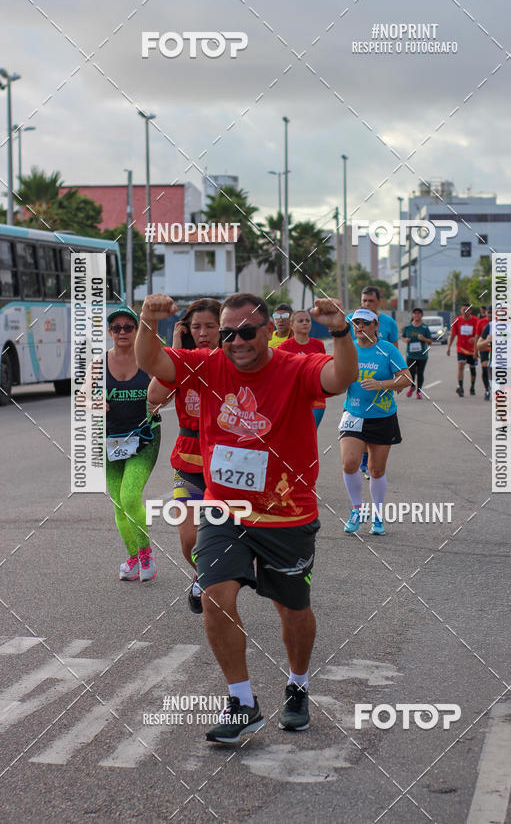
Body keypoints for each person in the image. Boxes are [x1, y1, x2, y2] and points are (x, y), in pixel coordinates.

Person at [135, 291, 357, 743]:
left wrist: (339, 331)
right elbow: (153, 363)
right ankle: (242, 702)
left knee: (293, 612)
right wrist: (146, 320)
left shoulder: (295, 368)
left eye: (247, 332)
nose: (236, 341)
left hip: (286, 516)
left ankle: (297, 685)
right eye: (229, 332)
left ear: (266, 333)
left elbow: (340, 377)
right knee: (215, 594)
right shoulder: (209, 364)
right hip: (224, 510)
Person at [146, 298, 221, 612]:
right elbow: (153, 396)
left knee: (221, 537)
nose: (202, 332)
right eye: (195, 327)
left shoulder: (234, 362)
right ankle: (200, 574)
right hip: (188, 464)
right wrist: (175, 347)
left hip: (226, 467)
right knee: (189, 540)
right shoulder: (183, 363)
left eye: (209, 326)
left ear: (224, 328)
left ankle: (220, 580)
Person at [340, 309, 411, 536]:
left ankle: (378, 516)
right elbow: (336, 373)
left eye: (365, 322)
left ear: (375, 325)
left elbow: (406, 378)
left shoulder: (387, 349)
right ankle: (357, 510)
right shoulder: (348, 348)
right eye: (355, 322)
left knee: (376, 469)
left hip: (382, 416)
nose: (359, 326)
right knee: (349, 463)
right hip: (353, 415)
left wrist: (382, 385)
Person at [105, 307, 161, 583]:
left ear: (137, 331)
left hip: (144, 438)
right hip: (109, 440)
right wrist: (93, 403)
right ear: (110, 332)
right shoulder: (98, 363)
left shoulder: (147, 360)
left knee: (129, 497)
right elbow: (80, 397)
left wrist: (160, 399)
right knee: (118, 504)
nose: (123, 332)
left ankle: (146, 553)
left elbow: (169, 386)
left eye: (129, 327)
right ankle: (132, 558)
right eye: (117, 328)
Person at [346, 286, 399, 477]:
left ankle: (369, 464)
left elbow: (394, 351)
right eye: (364, 301)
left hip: (381, 391)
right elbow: (344, 346)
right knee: (349, 460)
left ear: (378, 302)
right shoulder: (350, 320)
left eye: (371, 301)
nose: (366, 304)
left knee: (376, 465)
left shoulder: (389, 323)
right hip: (355, 397)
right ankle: (362, 462)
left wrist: (394, 381)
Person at [277, 309, 327, 427]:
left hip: (316, 400)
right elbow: (279, 375)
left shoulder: (318, 345)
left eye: (307, 320)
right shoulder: (284, 347)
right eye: (300, 321)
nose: (305, 323)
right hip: (293, 400)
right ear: (291, 325)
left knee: (310, 433)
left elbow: (323, 371)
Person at [447, 304, 478, 396]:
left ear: (470, 311)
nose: (465, 311)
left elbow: (479, 334)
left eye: (467, 310)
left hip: (472, 349)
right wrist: (448, 347)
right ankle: (461, 387)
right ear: (461, 310)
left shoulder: (475, 320)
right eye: (464, 309)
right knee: (460, 366)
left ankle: (472, 387)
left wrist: (474, 339)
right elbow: (453, 335)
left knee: (473, 368)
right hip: (461, 348)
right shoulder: (457, 320)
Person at [401, 307, 432, 398]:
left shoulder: (425, 328)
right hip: (410, 355)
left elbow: (430, 341)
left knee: (420, 373)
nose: (417, 315)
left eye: (419, 313)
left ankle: (419, 391)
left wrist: (424, 339)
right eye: (415, 313)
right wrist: (405, 339)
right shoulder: (408, 327)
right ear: (412, 315)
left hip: (422, 355)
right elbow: (403, 337)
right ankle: (412, 386)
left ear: (421, 315)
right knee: (411, 373)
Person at [476, 306, 492, 400]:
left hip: (495, 351)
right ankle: (487, 390)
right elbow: (477, 337)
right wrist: (475, 351)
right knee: (485, 368)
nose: (490, 314)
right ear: (485, 313)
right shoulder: (481, 322)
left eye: (492, 312)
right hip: (484, 350)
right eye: (488, 312)